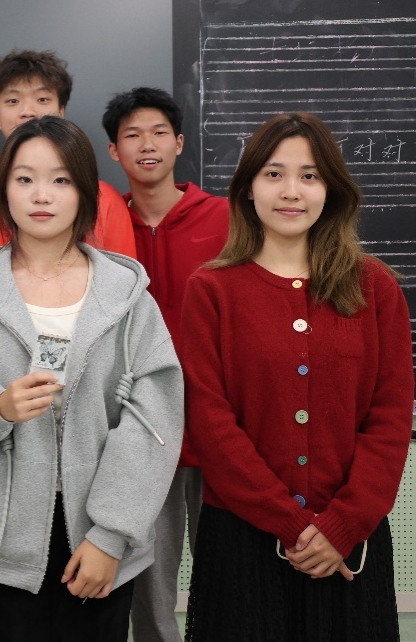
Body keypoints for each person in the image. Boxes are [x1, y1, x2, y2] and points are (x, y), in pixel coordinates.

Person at [0, 116, 183, 642]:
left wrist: (110, 536)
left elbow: (154, 422)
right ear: (4, 190)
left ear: (85, 192)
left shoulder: (127, 295)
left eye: (60, 180)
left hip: (99, 543)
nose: (41, 195)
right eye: (24, 179)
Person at [180, 112, 412, 642]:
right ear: (248, 188)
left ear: (331, 189)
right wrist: (290, 524)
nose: (291, 191)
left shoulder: (374, 288)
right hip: (243, 539)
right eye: (273, 174)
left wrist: (342, 526)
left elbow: (391, 417)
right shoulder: (211, 291)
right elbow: (210, 422)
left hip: (348, 541)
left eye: (309, 175)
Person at [102, 87, 229, 642]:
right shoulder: (102, 226)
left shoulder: (227, 218)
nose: (146, 145)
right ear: (114, 151)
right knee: (148, 578)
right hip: (141, 426)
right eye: (132, 135)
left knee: (227, 572)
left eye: (158, 133)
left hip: (219, 423)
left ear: (179, 143)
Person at [0, 49, 136, 278]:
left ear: (61, 112)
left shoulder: (104, 199)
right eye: (13, 101)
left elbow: (124, 285)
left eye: (42, 99)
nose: (27, 112)